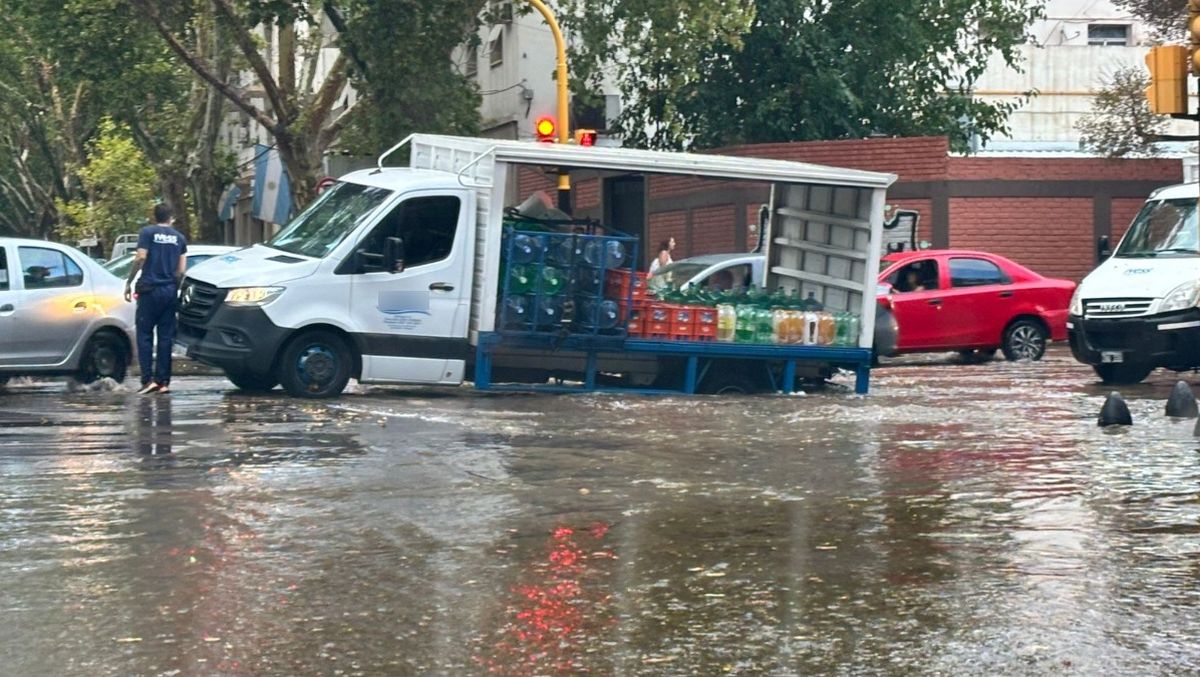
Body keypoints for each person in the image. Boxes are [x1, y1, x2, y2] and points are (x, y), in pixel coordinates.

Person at [124, 203, 188, 394]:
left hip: (149, 290)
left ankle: (147, 380)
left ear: (155, 217)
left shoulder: (147, 233)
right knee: (165, 336)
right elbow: (181, 270)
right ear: (171, 218)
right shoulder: (179, 238)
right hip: (169, 290)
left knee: (144, 334)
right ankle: (163, 382)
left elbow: (141, 257)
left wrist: (129, 281)